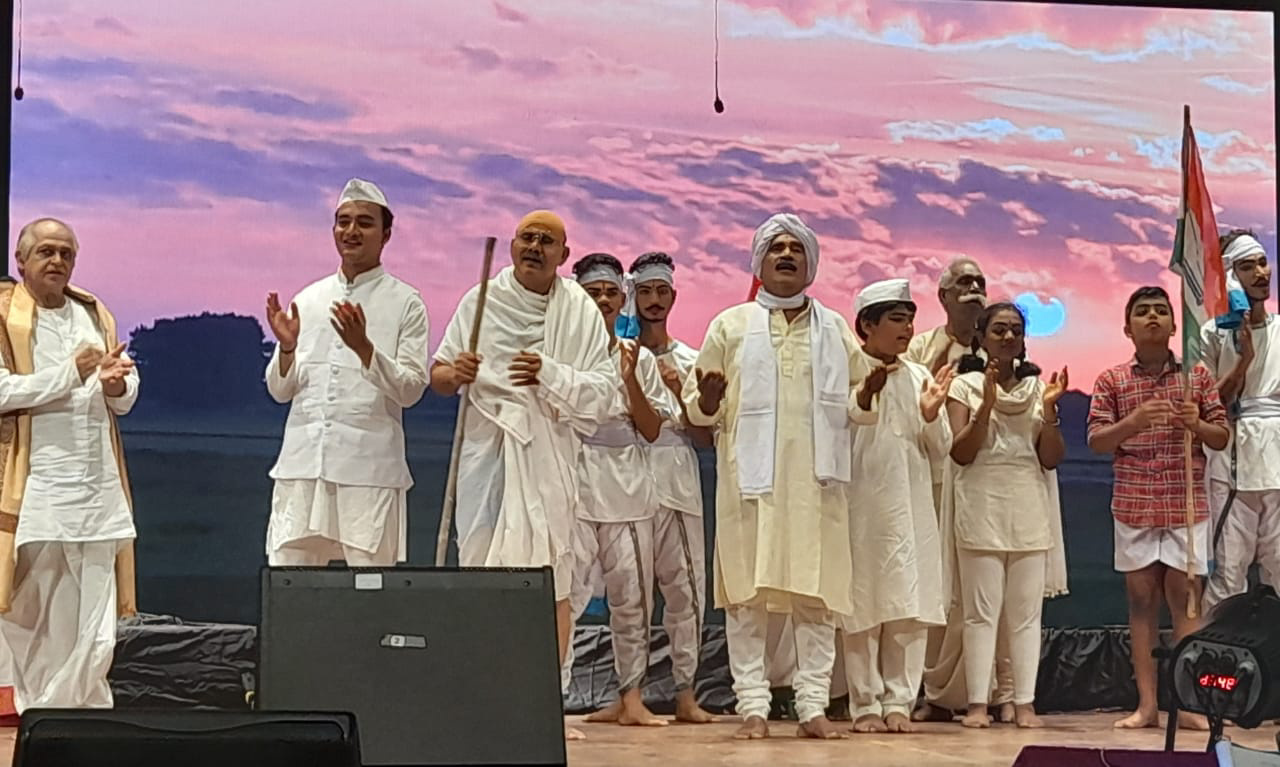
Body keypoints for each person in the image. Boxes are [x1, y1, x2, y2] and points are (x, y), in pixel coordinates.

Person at [682, 213, 878, 741]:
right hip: (750, 488)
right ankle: (752, 705)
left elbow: (860, 405)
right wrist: (708, 400)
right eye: (776, 248)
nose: (786, 254)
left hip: (818, 487)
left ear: (810, 264)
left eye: (796, 248)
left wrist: (867, 393)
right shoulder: (730, 325)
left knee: (817, 600)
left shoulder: (834, 328)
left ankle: (812, 705)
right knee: (747, 600)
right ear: (760, 263)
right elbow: (697, 408)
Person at [430, 210, 615, 741]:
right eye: (527, 238)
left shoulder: (578, 310)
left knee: (551, 583)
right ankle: (479, 701)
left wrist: (547, 373)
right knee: (481, 572)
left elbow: (602, 394)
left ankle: (544, 705)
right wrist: (456, 373)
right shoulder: (481, 300)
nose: (535, 246)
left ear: (564, 254)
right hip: (487, 456)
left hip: (549, 460)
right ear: (512, 246)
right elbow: (438, 375)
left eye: (546, 240)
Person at [0, 218, 139, 712]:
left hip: (97, 488)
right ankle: (44, 712)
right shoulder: (5, 315)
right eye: (46, 252)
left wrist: (118, 385)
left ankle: (86, 712)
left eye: (66, 253)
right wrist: (69, 373)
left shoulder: (92, 313)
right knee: (35, 614)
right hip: (38, 487)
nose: (58, 261)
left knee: (95, 617)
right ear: (21, 261)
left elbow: (122, 393)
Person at [264, 179, 428, 567]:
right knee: (290, 584)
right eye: (343, 222)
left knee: (369, 589)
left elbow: (410, 390)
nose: (351, 231)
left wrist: (364, 349)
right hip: (303, 468)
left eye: (364, 223)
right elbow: (279, 391)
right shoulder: (309, 299)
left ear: (386, 234)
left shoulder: (407, 303)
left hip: (368, 472)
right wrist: (287, 349)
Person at [1087, 286, 1228, 731]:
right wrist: (1133, 423)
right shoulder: (1111, 380)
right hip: (1135, 504)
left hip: (1185, 504)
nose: (1153, 317)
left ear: (1173, 325)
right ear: (1127, 328)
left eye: (1161, 311)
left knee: (1186, 602)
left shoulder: (1196, 377)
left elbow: (1221, 436)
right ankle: (1147, 705)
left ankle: (1187, 703)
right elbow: (1096, 440)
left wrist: (1197, 424)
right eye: (1143, 311)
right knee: (1141, 600)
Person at [945, 302, 1068, 729]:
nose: (1008, 337)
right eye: (998, 330)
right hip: (981, 504)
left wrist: (1050, 412)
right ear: (980, 337)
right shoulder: (964, 385)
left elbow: (1050, 458)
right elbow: (961, 452)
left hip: (1028, 504)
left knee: (1025, 615)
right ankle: (978, 704)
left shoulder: (1038, 389)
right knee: (980, 613)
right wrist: (986, 404)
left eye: (1016, 329)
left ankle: (1024, 702)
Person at [842, 279, 953, 734]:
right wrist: (865, 394)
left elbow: (941, 448)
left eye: (910, 319)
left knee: (908, 606)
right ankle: (864, 703)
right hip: (859, 506)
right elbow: (839, 429)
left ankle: (899, 702)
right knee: (862, 607)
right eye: (896, 319)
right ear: (867, 325)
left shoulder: (919, 376)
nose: (907, 329)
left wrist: (930, 416)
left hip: (910, 508)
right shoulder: (845, 371)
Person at [567, 252, 672, 727]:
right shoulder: (563, 355)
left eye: (612, 292)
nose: (604, 300)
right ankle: (551, 695)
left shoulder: (639, 358)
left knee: (632, 599)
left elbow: (651, 429)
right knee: (567, 595)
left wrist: (630, 381)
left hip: (627, 488)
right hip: (574, 484)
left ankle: (631, 698)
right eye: (594, 292)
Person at [629, 251, 716, 723]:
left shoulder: (690, 360)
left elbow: (704, 437)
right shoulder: (618, 355)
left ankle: (686, 693)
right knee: (631, 592)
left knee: (685, 589)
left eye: (662, 291)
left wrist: (682, 390)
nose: (654, 300)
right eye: (645, 291)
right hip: (628, 479)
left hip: (678, 479)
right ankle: (628, 694)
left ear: (673, 297)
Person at [1201, 230, 1279, 608]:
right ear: (1231, 276)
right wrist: (1243, 360)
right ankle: (1217, 646)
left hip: (1277, 460)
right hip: (1233, 464)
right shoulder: (1212, 334)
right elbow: (1208, 403)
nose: (1261, 273)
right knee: (1229, 574)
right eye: (1248, 267)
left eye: (1263, 263)